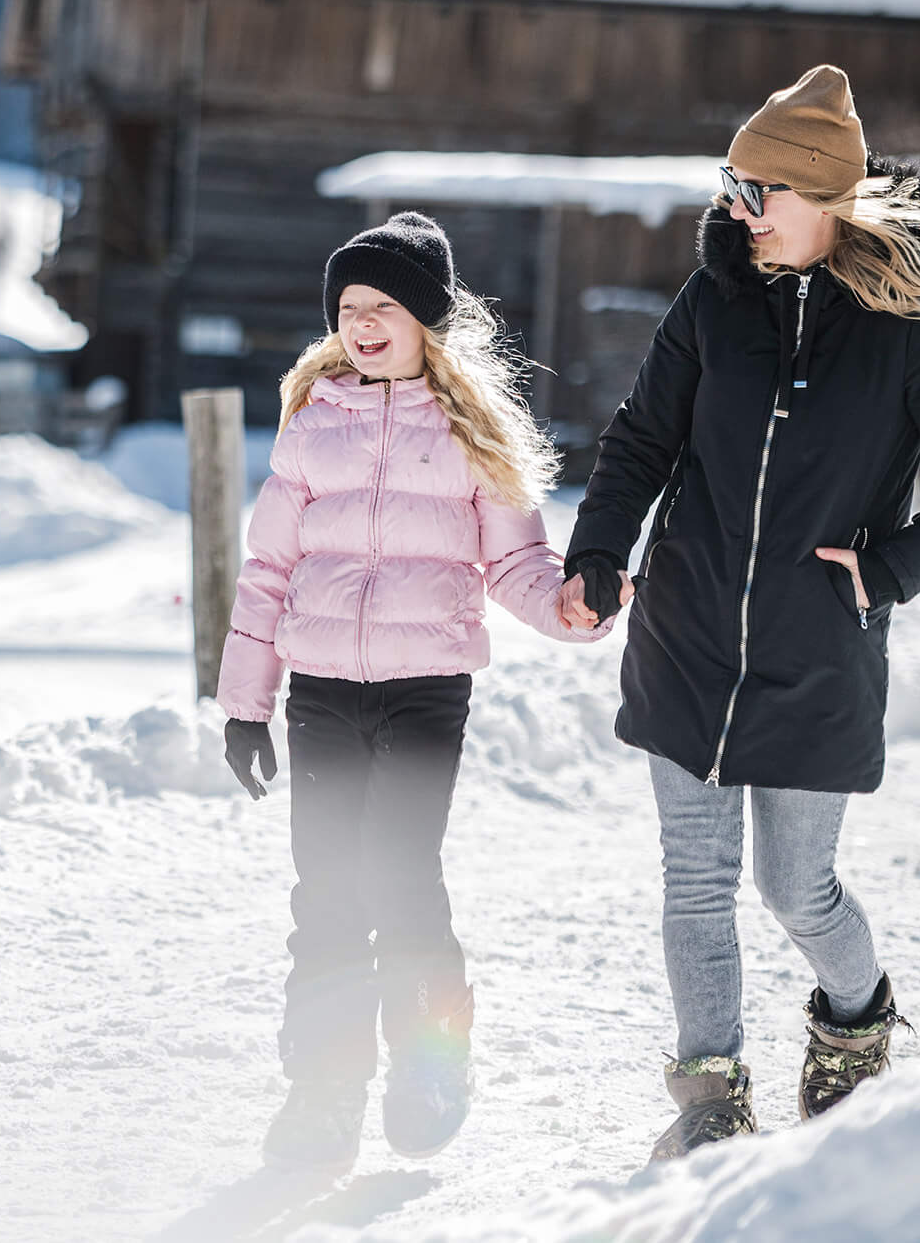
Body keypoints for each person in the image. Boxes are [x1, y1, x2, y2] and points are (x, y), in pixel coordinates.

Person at [558, 66, 920, 1161]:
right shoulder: (712, 301)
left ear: (824, 198)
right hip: (688, 635)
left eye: (759, 189)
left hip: (822, 655)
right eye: (733, 184)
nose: (738, 209)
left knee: (794, 885)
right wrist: (600, 553)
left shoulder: (915, 339)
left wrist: (886, 572)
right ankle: (710, 1095)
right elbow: (640, 441)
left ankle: (855, 1026)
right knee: (696, 880)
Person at [216, 213, 612, 1173]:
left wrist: (570, 610)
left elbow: (518, 562)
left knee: (398, 877)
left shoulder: (473, 433)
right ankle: (323, 1089)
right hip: (321, 689)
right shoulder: (311, 427)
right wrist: (244, 702)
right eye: (349, 308)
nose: (361, 324)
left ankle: (431, 1061)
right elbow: (269, 569)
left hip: (427, 689)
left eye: (383, 307)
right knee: (326, 893)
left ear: (426, 321)